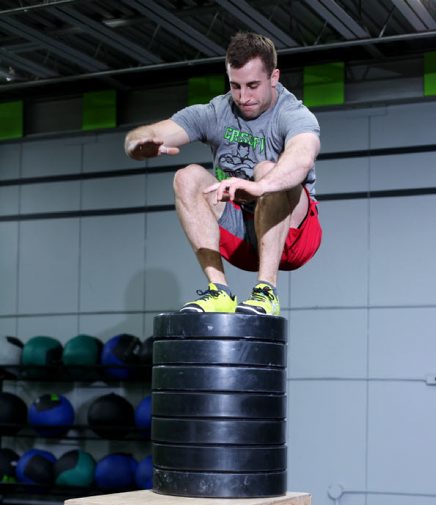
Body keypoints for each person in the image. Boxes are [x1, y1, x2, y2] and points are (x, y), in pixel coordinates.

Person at [124, 31, 322, 316]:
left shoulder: (293, 114)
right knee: (187, 176)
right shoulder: (216, 112)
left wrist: (261, 186)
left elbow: (302, 157)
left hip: (293, 235)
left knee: (267, 168)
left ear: (274, 77)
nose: (243, 97)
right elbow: (155, 132)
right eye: (236, 86)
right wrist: (137, 143)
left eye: (253, 85)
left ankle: (266, 292)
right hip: (242, 233)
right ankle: (220, 292)